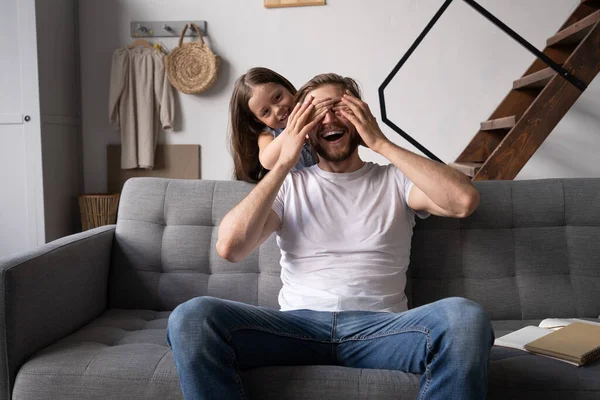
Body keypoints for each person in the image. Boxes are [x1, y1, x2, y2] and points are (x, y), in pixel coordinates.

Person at [167, 73, 495, 400]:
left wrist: (380, 143)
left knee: (464, 319)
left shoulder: (395, 180)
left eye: (338, 108)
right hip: (297, 329)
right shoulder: (288, 185)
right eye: (315, 113)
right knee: (192, 317)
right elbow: (230, 247)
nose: (328, 119)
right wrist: (283, 164)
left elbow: (463, 201)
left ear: (360, 115)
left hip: (380, 330)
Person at [229, 67, 333, 182]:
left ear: (287, 88)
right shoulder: (268, 134)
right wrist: (293, 128)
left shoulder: (310, 114)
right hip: (300, 190)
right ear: (258, 120)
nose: (277, 110)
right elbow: (267, 161)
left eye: (278, 97)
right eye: (266, 112)